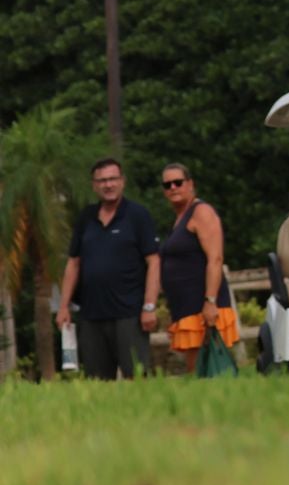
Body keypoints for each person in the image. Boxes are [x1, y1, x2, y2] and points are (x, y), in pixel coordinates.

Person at [56, 158, 160, 380]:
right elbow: (73, 263)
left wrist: (149, 305)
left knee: (137, 378)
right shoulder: (86, 218)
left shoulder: (137, 215)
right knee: (97, 383)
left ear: (122, 182)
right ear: (94, 185)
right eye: (102, 180)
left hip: (129, 314)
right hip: (91, 314)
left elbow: (154, 261)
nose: (108, 185)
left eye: (113, 179)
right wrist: (64, 306)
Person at [156, 163, 239, 373]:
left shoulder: (201, 212)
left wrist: (210, 302)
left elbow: (216, 258)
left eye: (178, 182)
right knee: (197, 373)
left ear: (190, 184)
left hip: (203, 307)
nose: (173, 187)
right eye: (167, 184)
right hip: (185, 308)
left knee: (210, 370)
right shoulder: (179, 218)